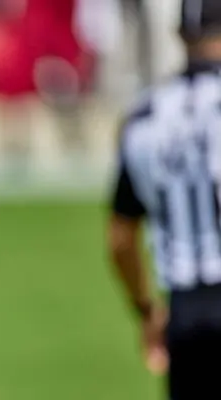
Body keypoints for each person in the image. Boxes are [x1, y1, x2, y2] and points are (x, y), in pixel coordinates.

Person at [108, 1, 221, 398]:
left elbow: (120, 237)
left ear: (181, 37)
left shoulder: (145, 116)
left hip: (186, 312)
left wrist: (146, 309)